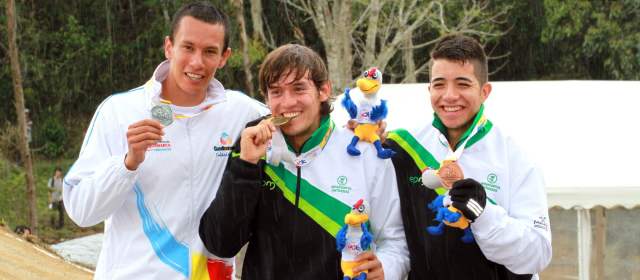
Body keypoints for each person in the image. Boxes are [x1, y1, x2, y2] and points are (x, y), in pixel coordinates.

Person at [63, 2, 267, 279]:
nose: (197, 62)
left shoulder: (241, 112)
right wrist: (127, 164)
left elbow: (299, 120)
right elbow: (80, 211)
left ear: (224, 57)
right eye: (188, 47)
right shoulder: (119, 111)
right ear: (169, 47)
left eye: (209, 52)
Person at [199, 44, 409, 280]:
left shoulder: (365, 152)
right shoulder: (253, 149)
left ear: (323, 91)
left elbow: (395, 242)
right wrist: (245, 165)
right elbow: (220, 243)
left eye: (299, 89)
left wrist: (386, 271)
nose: (287, 102)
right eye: (276, 92)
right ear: (266, 98)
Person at [384, 34, 552, 280]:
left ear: (485, 91)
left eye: (463, 84)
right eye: (439, 84)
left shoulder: (514, 158)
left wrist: (483, 213)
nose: (450, 95)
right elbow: (395, 241)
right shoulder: (403, 148)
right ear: (429, 89)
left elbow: (537, 254)